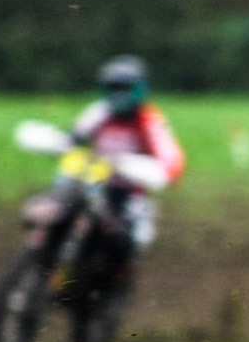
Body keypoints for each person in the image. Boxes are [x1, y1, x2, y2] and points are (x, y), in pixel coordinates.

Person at [70, 55, 186, 263]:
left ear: (140, 90)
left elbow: (172, 160)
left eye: (126, 88)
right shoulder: (100, 112)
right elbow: (74, 137)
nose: (120, 95)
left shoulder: (149, 120)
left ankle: (113, 281)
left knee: (126, 239)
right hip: (94, 183)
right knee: (58, 205)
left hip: (129, 193)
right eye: (114, 88)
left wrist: (155, 171)